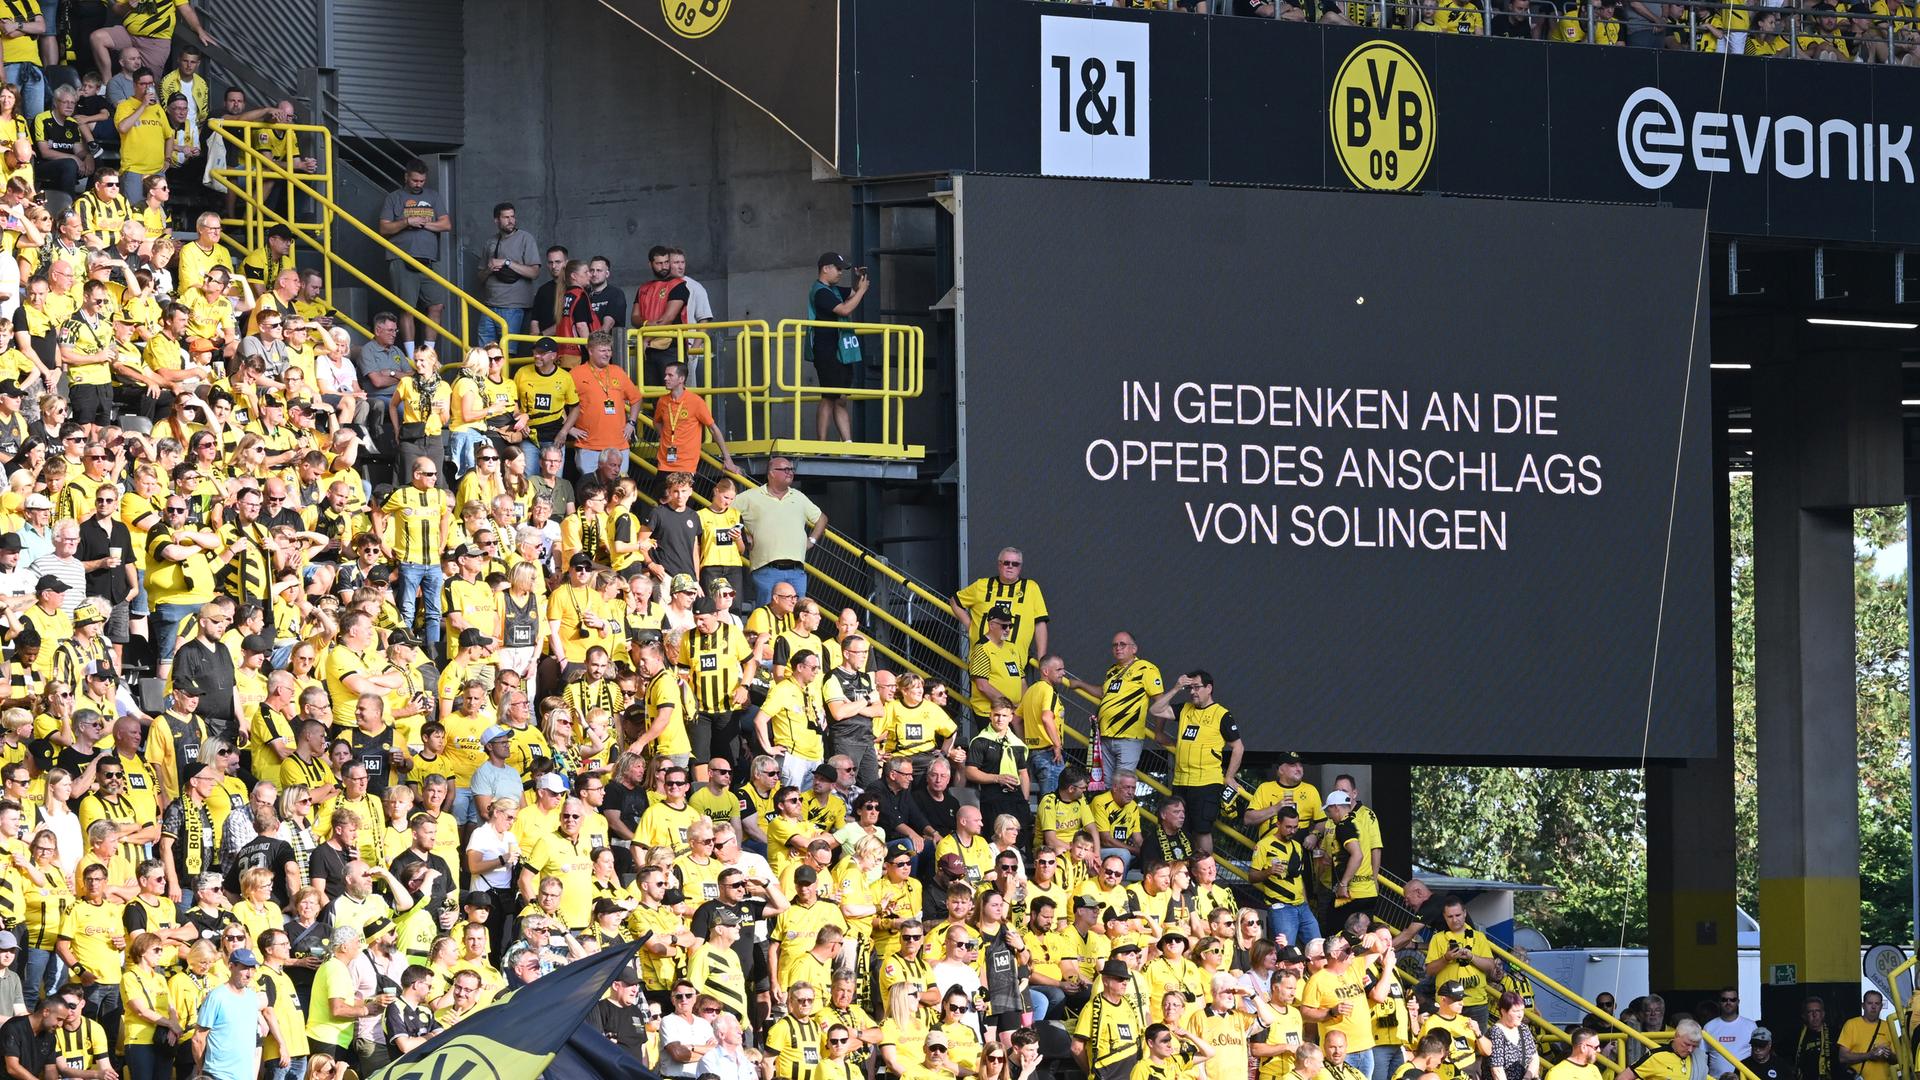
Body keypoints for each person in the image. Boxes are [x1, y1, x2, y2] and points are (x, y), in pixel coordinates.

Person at [1150, 670, 1243, 854]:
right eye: (1190, 688)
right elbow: (1155, 709)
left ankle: (1206, 874)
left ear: (1209, 688)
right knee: (1180, 830)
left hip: (1206, 783)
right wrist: (1177, 688)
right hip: (1181, 781)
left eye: (1197, 687)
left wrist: (1230, 776)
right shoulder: (1184, 709)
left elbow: (1238, 747)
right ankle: (1185, 873)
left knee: (1202, 830)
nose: (1193, 692)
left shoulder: (1221, 714)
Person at [375, 160, 450, 356]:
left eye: (422, 181)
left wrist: (423, 224)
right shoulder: (394, 198)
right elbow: (384, 228)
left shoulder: (433, 196)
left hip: (429, 260)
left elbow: (446, 224)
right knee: (407, 308)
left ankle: (428, 353)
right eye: (415, 180)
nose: (418, 184)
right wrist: (407, 222)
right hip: (401, 257)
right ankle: (410, 357)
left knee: (437, 305)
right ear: (406, 177)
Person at [1067, 631, 1162, 783]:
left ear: (1134, 649)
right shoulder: (1112, 671)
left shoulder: (1146, 669)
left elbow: (1160, 701)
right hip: (1106, 736)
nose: (1118, 648)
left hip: (1129, 738)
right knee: (1107, 785)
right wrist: (1080, 684)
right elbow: (1103, 692)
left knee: (1122, 784)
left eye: (1123, 644)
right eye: (1115, 645)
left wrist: (1159, 732)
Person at [734, 456, 826, 608]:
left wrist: (812, 541)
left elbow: (821, 518)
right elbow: (724, 511)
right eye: (784, 469)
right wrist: (744, 535)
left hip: (796, 571)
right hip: (766, 570)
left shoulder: (798, 497)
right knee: (766, 616)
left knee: (797, 616)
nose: (789, 472)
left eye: (791, 469)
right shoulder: (751, 496)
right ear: (771, 473)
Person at [806, 253, 868, 442]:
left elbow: (852, 293)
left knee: (840, 397)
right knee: (828, 396)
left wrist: (860, 280)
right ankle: (822, 444)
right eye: (838, 268)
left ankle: (847, 444)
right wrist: (862, 291)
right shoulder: (820, 292)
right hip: (826, 350)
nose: (841, 273)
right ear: (826, 268)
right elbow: (845, 309)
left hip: (841, 351)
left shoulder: (833, 290)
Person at [565, 331, 643, 476]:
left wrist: (631, 423)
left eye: (609, 350)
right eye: (602, 350)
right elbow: (558, 403)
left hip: (619, 444)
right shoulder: (575, 373)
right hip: (589, 445)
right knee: (592, 490)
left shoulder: (618, 371)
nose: (607, 354)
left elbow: (636, 399)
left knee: (617, 490)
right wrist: (569, 429)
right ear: (590, 351)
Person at [477, 202, 539, 344]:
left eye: (512, 216)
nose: (511, 220)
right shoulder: (490, 242)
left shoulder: (525, 238)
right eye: (506, 217)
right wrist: (489, 269)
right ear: (496, 220)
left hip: (513, 307)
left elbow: (534, 272)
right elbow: (480, 277)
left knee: (507, 353)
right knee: (484, 353)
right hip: (489, 306)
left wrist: (507, 262)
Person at [1838, 992, 1896, 1080]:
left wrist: (1888, 1055)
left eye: (1877, 1003)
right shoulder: (1851, 1024)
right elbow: (1842, 1057)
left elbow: (1896, 1059)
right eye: (1870, 1003)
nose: (1873, 1007)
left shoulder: (1888, 1026)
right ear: (1863, 1005)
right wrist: (1869, 1055)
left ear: (1881, 1006)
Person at [1704, 986, 1756, 1078]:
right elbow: (1702, 1056)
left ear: (1738, 1002)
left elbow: (1757, 1053)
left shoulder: (1751, 1025)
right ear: (1719, 1002)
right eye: (1724, 999)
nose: (1728, 1002)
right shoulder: (1709, 1027)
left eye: (1732, 999)